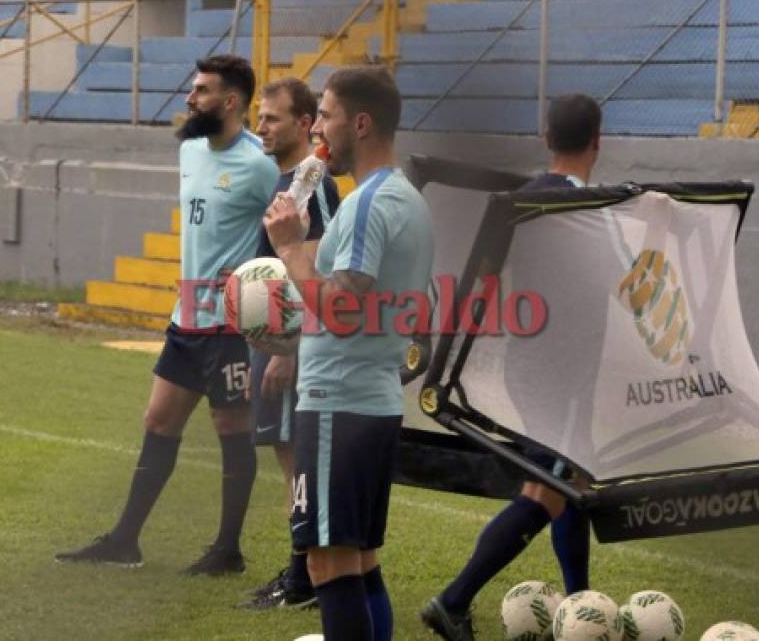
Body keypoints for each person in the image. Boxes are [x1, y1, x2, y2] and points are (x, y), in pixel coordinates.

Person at [55, 55, 280, 575]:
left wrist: (253, 284)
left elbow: (281, 237)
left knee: (230, 427)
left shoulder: (260, 165)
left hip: (229, 323)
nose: (189, 98)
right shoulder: (192, 151)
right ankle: (124, 541)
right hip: (187, 319)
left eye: (201, 90)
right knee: (158, 420)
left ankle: (228, 550)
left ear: (230, 102)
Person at [420, 93, 603, 641]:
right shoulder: (596, 208)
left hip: (527, 363)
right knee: (547, 491)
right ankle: (453, 600)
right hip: (563, 372)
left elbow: (486, 277)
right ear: (599, 139)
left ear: (545, 136)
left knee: (569, 481)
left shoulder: (519, 199)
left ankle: (578, 605)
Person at [264, 67, 434, 641]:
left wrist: (289, 248)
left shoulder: (367, 205)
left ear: (360, 123)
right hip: (371, 397)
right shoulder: (406, 198)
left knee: (327, 564)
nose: (319, 131)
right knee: (359, 561)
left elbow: (340, 306)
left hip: (340, 401)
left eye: (328, 116)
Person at [242, 77, 341, 610]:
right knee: (289, 461)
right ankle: (303, 572)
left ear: (305, 123)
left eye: (273, 117)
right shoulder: (291, 179)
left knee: (296, 465)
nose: (262, 125)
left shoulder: (313, 182)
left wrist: (286, 348)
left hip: (289, 346)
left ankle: (304, 580)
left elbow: (317, 260)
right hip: (272, 341)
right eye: (261, 116)